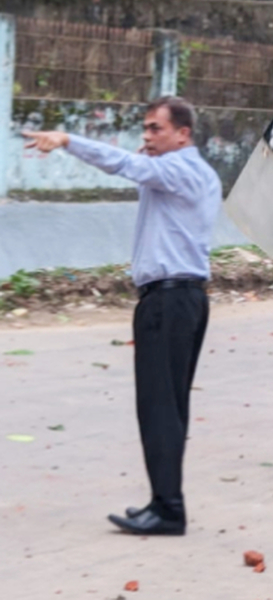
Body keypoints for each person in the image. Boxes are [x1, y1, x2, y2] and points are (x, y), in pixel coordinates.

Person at [24, 97, 221, 536]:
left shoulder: (179, 170)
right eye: (146, 129)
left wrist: (67, 140)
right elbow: (132, 164)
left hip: (170, 300)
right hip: (175, 298)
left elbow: (123, 165)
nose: (146, 137)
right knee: (166, 407)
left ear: (182, 134)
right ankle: (164, 500)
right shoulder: (180, 173)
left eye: (155, 129)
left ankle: (169, 508)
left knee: (160, 407)